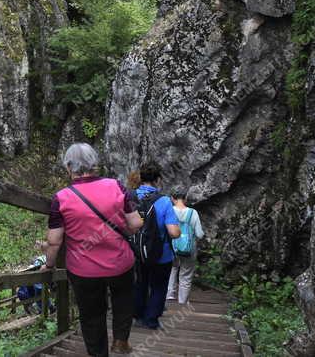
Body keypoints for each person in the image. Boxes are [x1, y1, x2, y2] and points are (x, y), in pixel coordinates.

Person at [42, 143, 144, 356]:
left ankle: (99, 353)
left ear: (69, 167)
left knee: (91, 315)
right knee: (123, 300)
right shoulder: (116, 186)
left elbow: (54, 241)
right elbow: (135, 224)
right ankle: (120, 340)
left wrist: (49, 265)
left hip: (84, 270)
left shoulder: (61, 198)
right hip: (120, 263)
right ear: (94, 163)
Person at [132, 163, 180, 330]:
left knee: (139, 283)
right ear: (158, 180)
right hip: (161, 253)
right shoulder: (164, 201)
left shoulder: (130, 197)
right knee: (159, 286)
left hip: (135, 252)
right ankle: (151, 320)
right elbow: (173, 232)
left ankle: (138, 316)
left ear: (141, 178)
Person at [166, 186, 205, 305]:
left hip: (172, 247)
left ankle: (169, 296)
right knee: (186, 275)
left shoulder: (169, 211)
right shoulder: (193, 213)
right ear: (185, 198)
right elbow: (199, 234)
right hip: (189, 249)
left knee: (171, 270)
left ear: (172, 198)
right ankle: (182, 301)